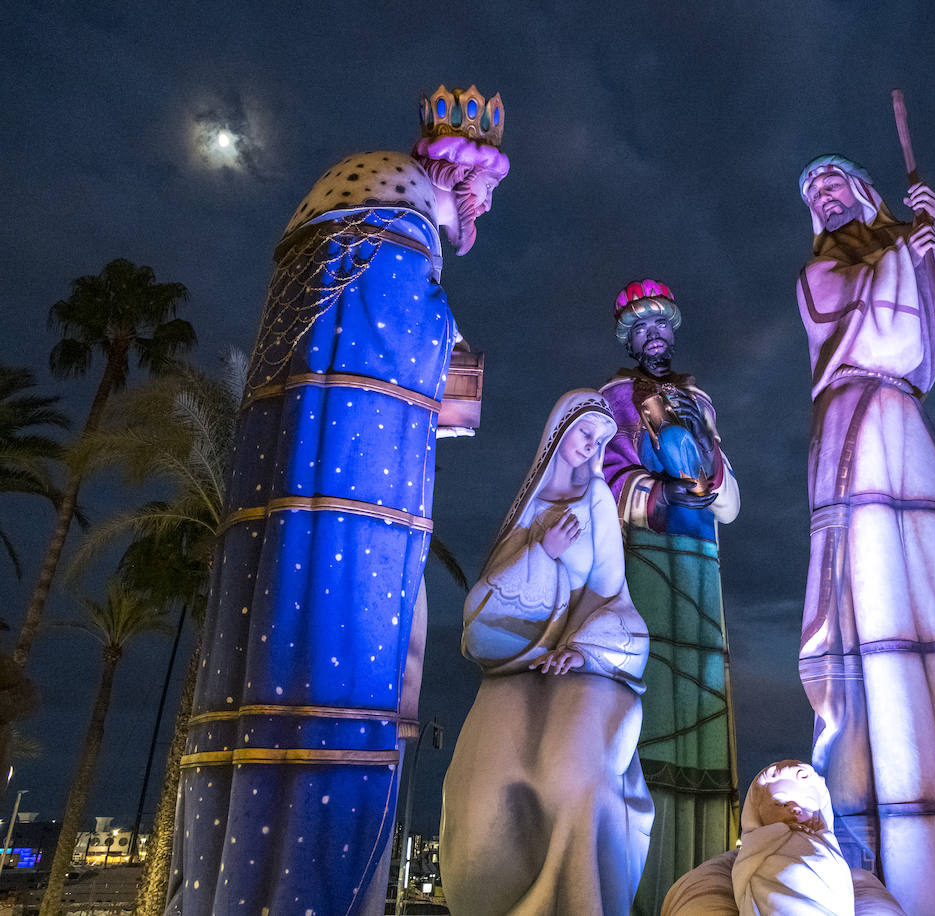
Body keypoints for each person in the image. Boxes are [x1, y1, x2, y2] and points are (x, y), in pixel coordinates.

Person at [166, 84, 508, 915]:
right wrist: (455, 356)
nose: (481, 214)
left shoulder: (342, 226)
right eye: (484, 195)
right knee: (354, 658)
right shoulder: (400, 225)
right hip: (355, 487)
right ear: (458, 180)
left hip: (296, 475)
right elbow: (397, 344)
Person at [794, 154, 935, 913]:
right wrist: (907, 254)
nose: (824, 202)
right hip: (854, 426)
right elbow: (857, 321)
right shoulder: (816, 276)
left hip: (905, 428)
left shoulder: (898, 246)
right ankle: (886, 838)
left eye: (833, 187)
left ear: (862, 193)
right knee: (872, 613)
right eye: (814, 196)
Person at [439, 389, 653, 915]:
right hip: (516, 668)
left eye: (602, 440)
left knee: (576, 773)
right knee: (487, 780)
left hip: (582, 660)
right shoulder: (528, 506)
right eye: (585, 432)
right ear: (560, 429)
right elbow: (484, 607)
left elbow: (607, 591)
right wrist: (543, 552)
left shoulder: (598, 501)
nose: (591, 445)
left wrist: (579, 651)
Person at [598, 279, 741, 913]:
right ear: (629, 336)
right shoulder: (613, 398)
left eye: (663, 324)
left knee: (705, 694)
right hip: (647, 555)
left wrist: (706, 479)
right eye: (642, 326)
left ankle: (703, 876)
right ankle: (645, 878)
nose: (654, 334)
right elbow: (605, 471)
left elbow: (724, 486)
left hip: (701, 561)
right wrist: (656, 496)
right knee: (653, 696)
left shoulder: (699, 400)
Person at [661, 761, 901, 916]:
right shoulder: (755, 847)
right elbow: (745, 866)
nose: (794, 810)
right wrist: (775, 835)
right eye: (782, 802)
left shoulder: (829, 850)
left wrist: (821, 843)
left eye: (806, 805)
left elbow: (839, 880)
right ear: (756, 811)